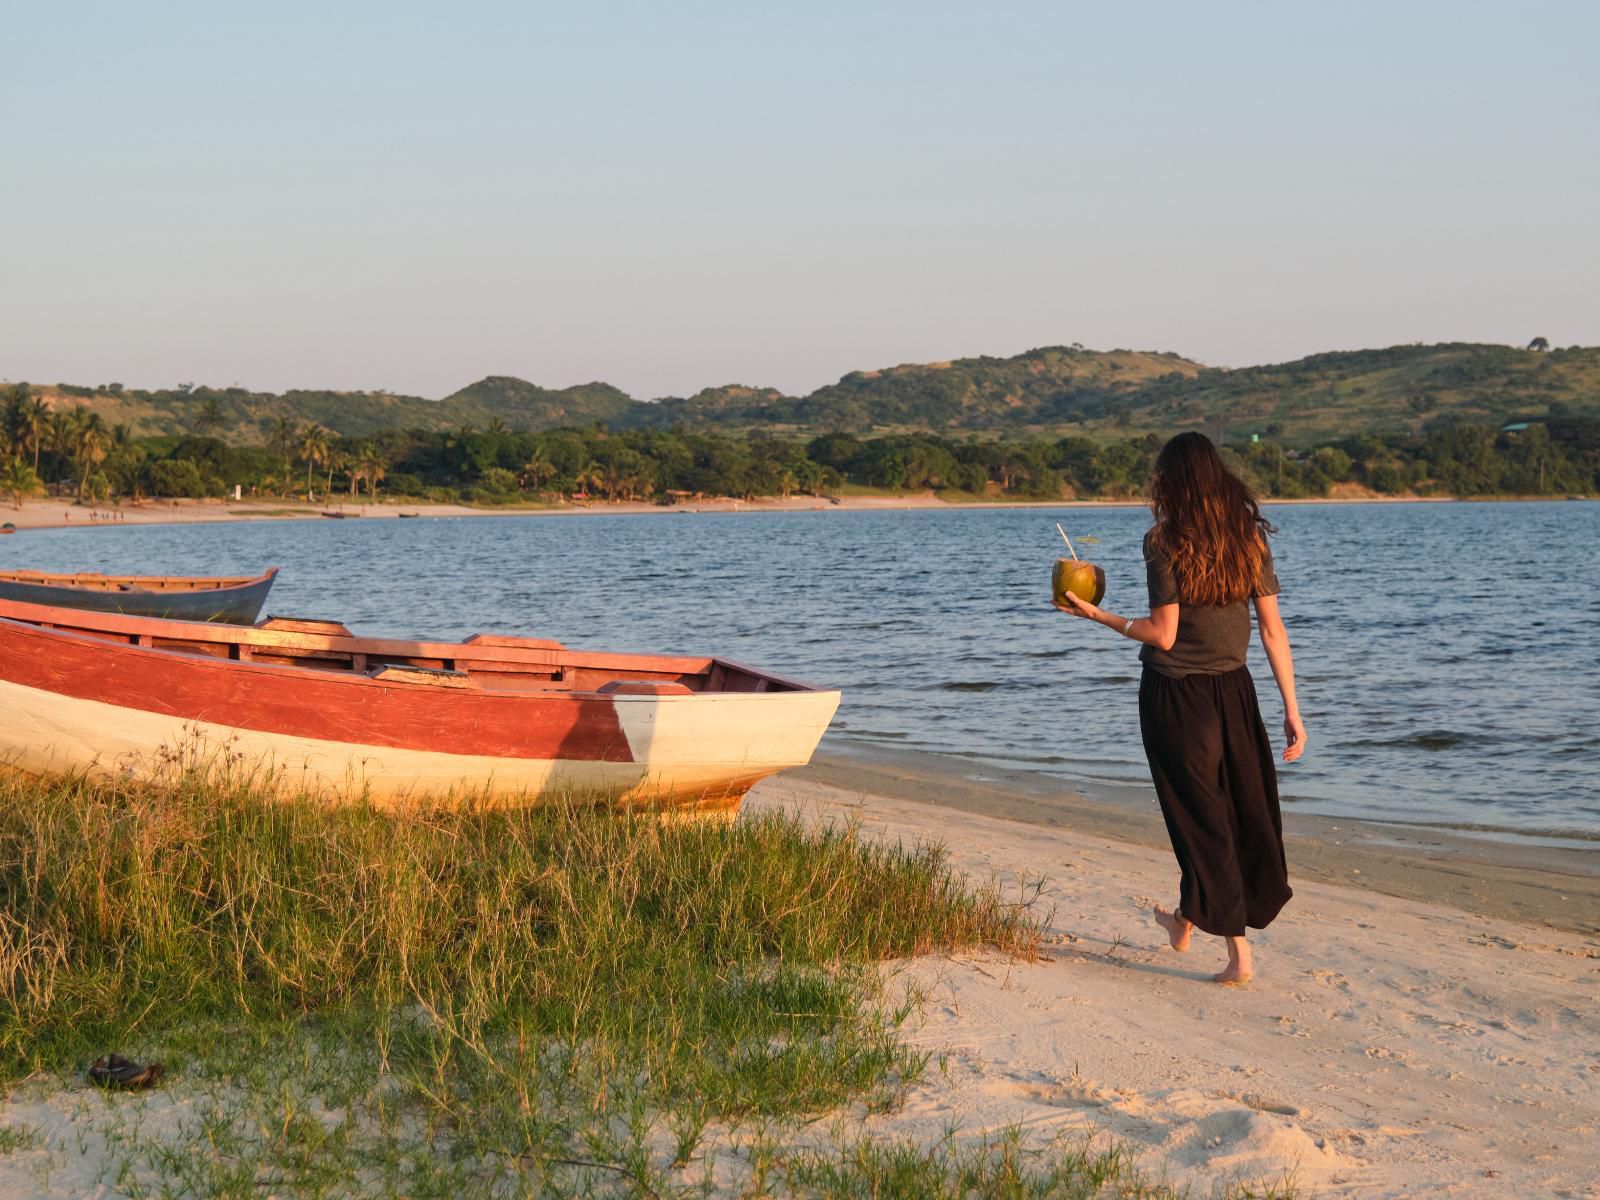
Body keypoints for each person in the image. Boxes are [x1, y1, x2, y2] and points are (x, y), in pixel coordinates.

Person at [1056, 432, 1306, 984]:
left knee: (1201, 817)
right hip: (1236, 691)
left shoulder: (1164, 540)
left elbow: (1162, 635)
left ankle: (1237, 955)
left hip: (1176, 697)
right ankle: (1187, 918)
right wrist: (1292, 707)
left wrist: (1099, 618)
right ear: (1218, 476)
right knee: (1237, 811)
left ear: (1171, 482)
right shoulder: (1248, 539)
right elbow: (1272, 629)